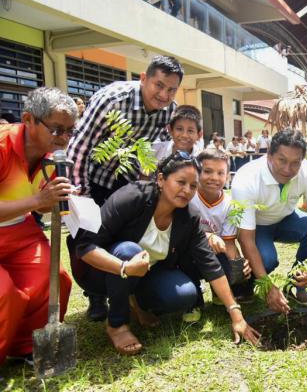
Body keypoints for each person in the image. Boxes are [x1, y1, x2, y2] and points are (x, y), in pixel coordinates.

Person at [71, 152, 259, 355]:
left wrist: (236, 313)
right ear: (160, 179)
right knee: (129, 251)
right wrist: (124, 268)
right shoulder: (133, 196)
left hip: (145, 273)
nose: (187, 191)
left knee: (184, 294)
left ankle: (136, 302)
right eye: (181, 182)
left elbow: (210, 264)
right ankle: (117, 325)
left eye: (193, 186)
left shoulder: (188, 217)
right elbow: (85, 246)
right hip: (99, 271)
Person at [67, 55, 183, 322]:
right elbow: (80, 147)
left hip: (126, 184)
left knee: (123, 239)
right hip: (91, 179)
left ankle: (127, 294)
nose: (164, 95)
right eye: (159, 85)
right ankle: (95, 295)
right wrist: (81, 196)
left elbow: (158, 152)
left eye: (171, 89)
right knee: (86, 237)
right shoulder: (112, 99)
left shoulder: (168, 110)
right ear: (143, 78)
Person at [0, 87, 77, 365]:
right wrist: (38, 200)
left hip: (19, 231)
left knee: (54, 279)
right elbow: (35, 200)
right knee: (3, 292)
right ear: (29, 119)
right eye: (57, 129)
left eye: (70, 131)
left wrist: (52, 200)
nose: (64, 139)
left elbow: (41, 206)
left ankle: (25, 347)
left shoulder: (52, 158)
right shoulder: (2, 147)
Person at [232, 129, 307, 313]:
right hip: (256, 227)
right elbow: (245, 238)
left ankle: (297, 286)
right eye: (282, 160)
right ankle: (246, 286)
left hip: (286, 220)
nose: (287, 169)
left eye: (295, 163)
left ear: (302, 160)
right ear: (269, 155)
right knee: (268, 261)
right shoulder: (247, 177)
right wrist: (268, 287)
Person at [189, 149, 253, 301]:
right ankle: (195, 299)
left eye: (220, 173)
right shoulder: (188, 197)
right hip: (188, 253)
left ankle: (220, 290)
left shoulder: (229, 204)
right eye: (208, 171)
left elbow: (229, 243)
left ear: (227, 176)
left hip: (215, 254)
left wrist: (238, 266)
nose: (214, 178)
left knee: (239, 274)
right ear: (197, 172)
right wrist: (207, 235)